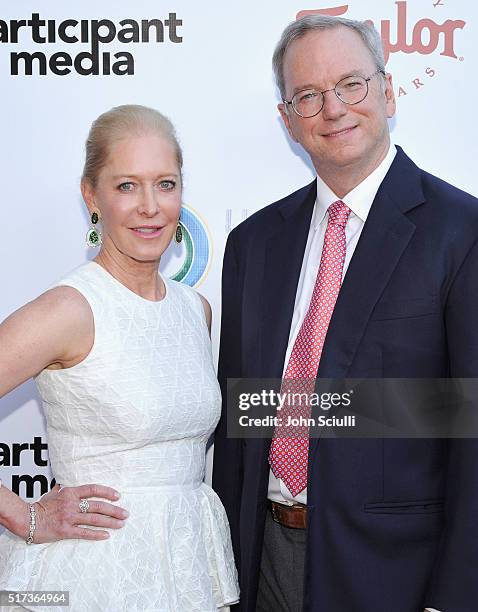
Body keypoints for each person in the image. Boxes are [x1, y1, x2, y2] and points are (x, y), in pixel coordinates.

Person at [213, 14, 478, 612]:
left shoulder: (461, 232)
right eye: (307, 95)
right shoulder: (253, 244)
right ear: (288, 120)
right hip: (262, 558)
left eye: (351, 84)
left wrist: (455, 595)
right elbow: (240, 415)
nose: (332, 108)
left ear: (387, 91)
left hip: (397, 572)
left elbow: (472, 426)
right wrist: (224, 571)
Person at [0, 104, 239, 611]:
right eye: (126, 186)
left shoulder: (195, 310)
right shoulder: (69, 310)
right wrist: (23, 515)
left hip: (190, 569)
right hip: (92, 576)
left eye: (165, 184)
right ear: (92, 196)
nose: (150, 207)